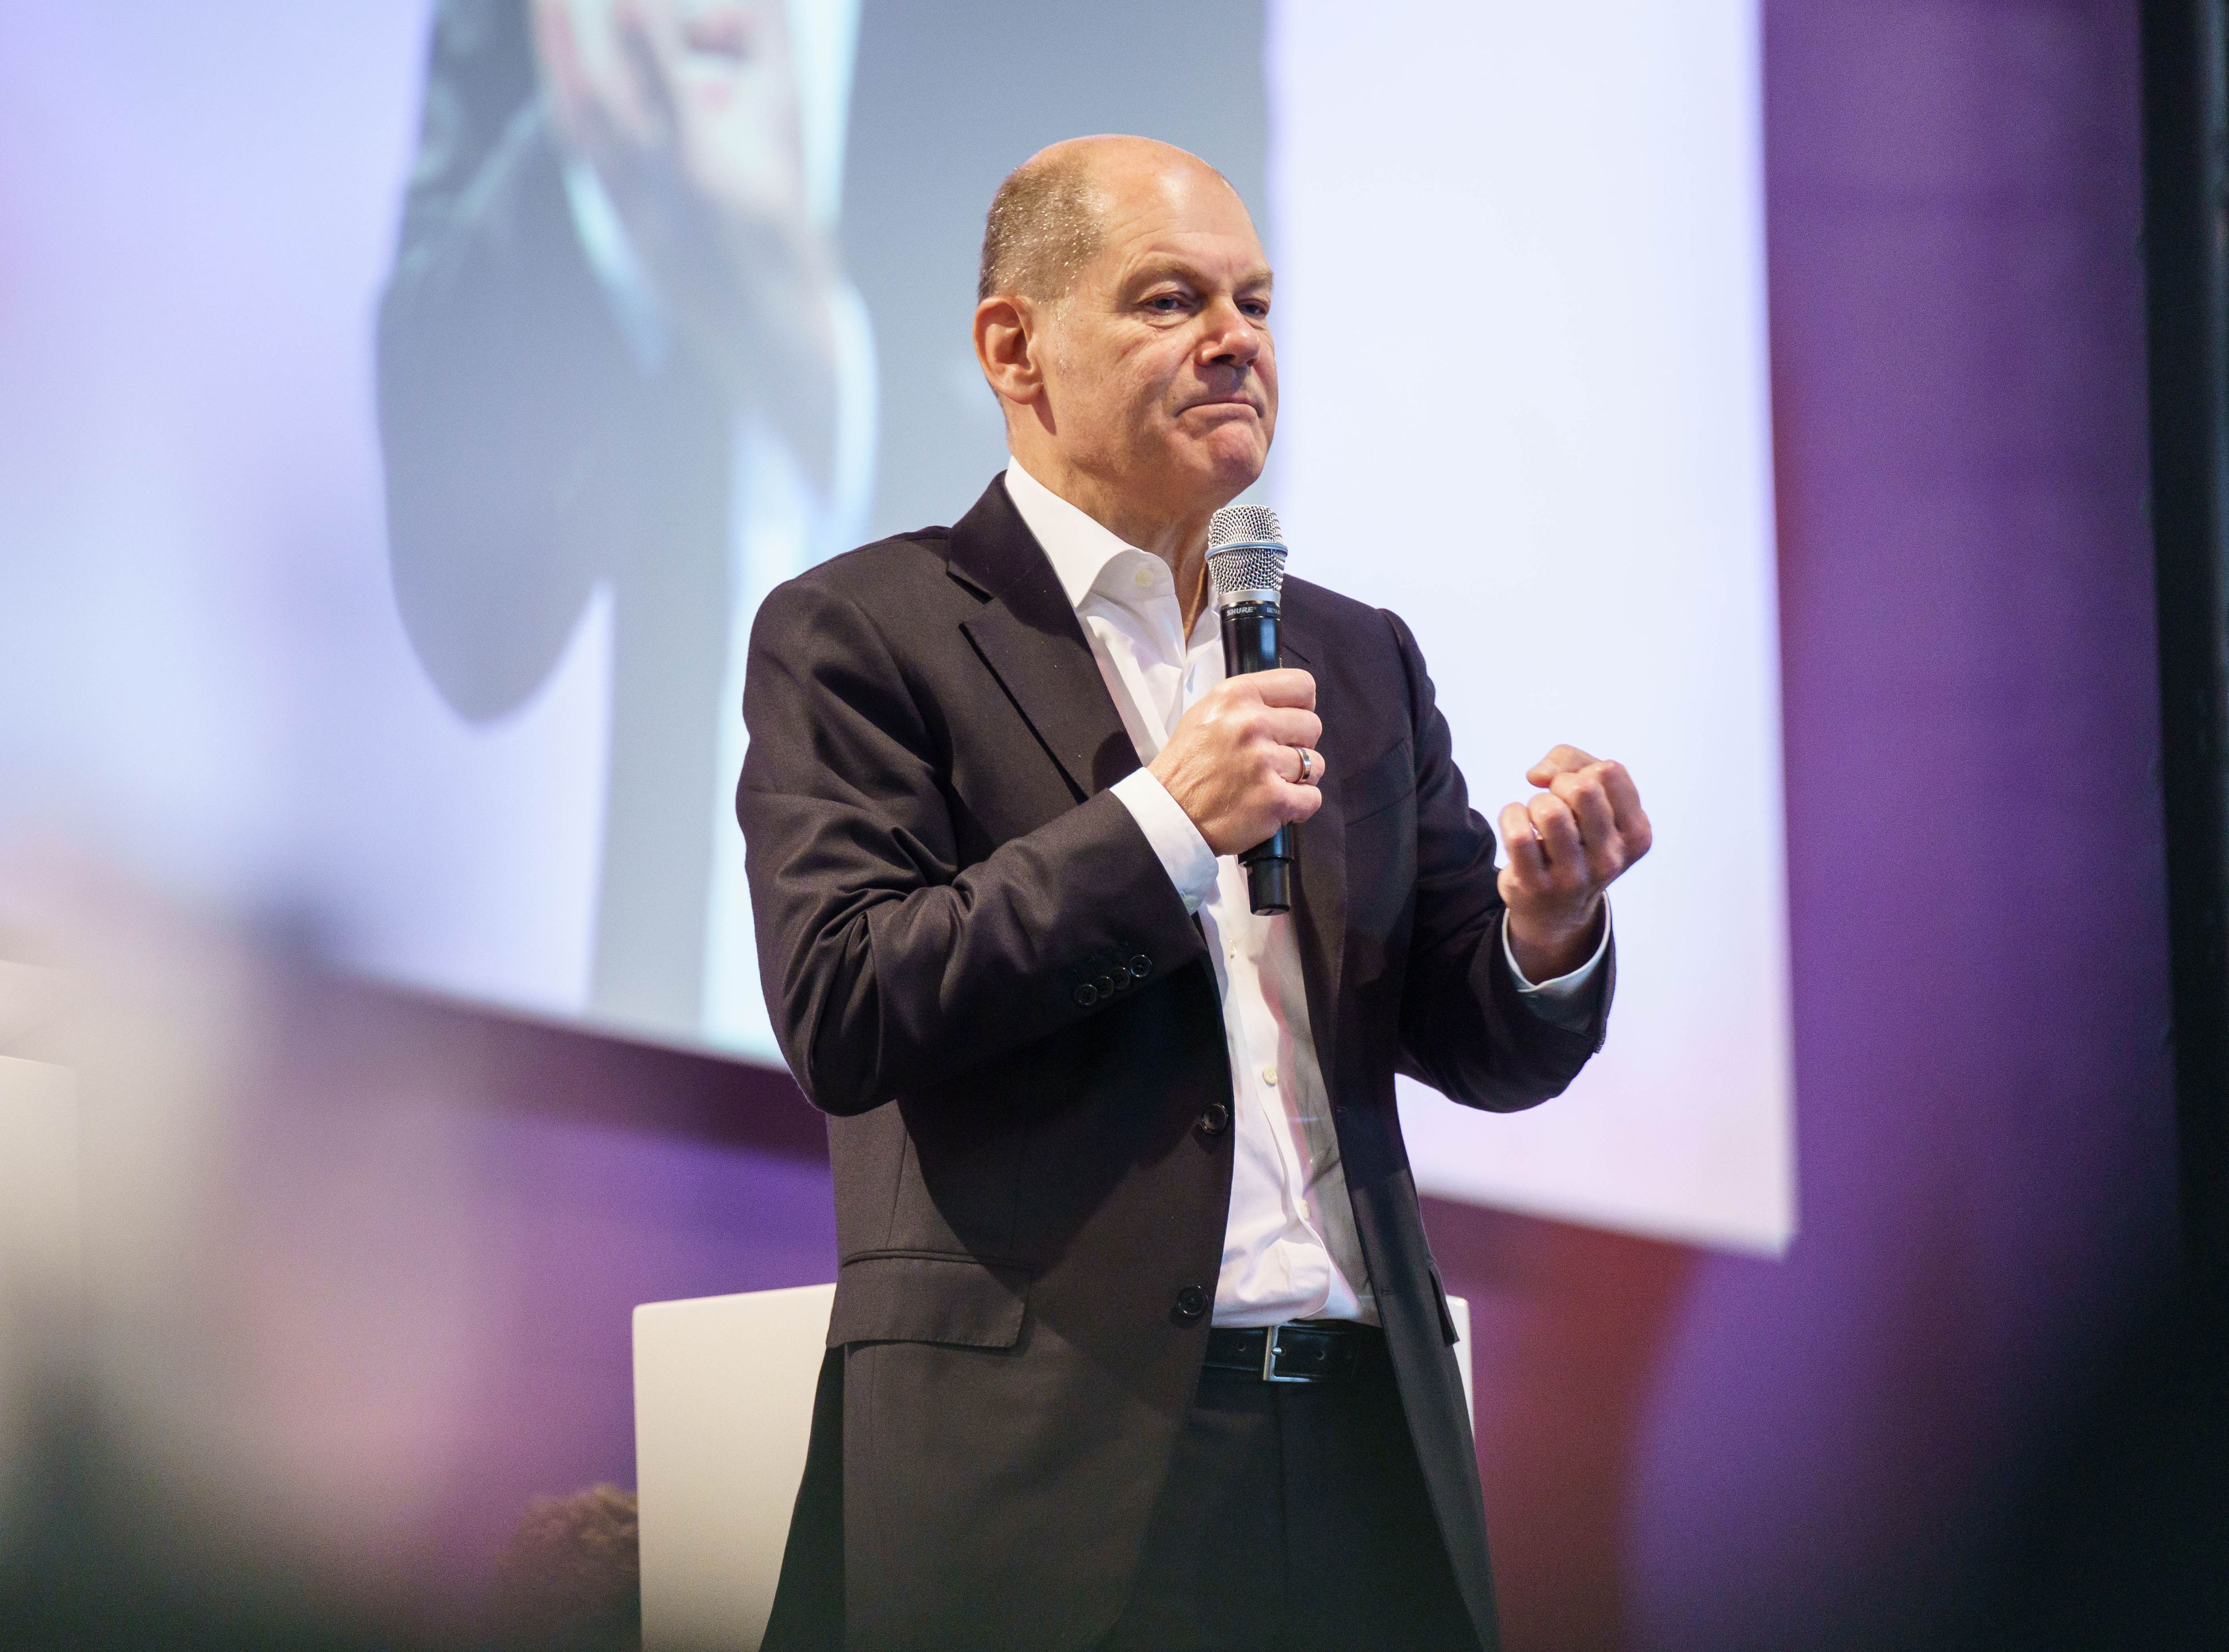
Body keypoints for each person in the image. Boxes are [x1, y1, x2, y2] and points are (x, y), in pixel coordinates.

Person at [738, 136, 1651, 1652]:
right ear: (1013, 349)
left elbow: (1473, 1038)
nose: (1238, 341)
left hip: (1366, 1449)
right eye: (1172, 300)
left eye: (1258, 302)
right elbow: (848, 1000)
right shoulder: (861, 632)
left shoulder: (1352, 655)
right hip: (1053, 1472)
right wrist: (1163, 820)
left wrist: (1548, 936)